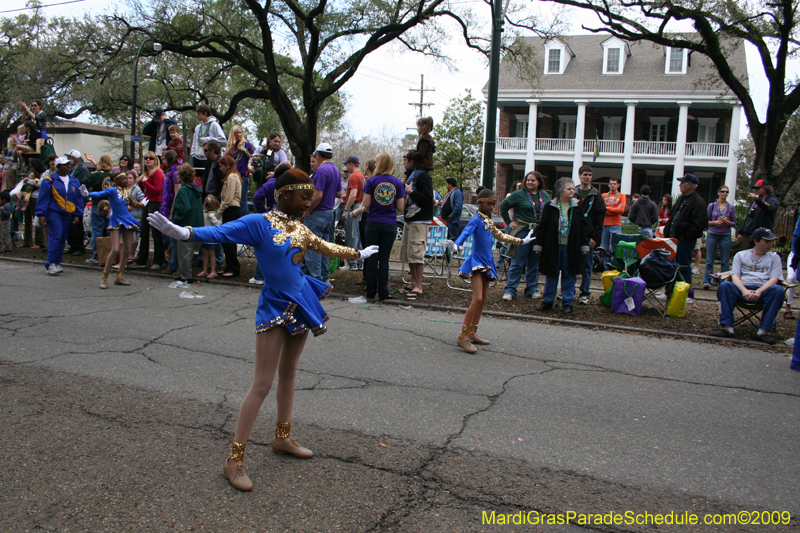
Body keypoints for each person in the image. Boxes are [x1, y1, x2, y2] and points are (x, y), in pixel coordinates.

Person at [146, 169, 378, 492]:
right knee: (262, 383)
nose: (308, 203)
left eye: (309, 198)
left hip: (301, 300)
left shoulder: (300, 227)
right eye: (303, 197)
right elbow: (223, 232)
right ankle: (233, 460)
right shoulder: (259, 223)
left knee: (290, 372)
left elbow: (324, 246)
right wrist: (185, 233)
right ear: (284, 195)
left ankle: (282, 437)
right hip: (274, 304)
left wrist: (357, 253)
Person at [444, 189, 534, 353]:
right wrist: (456, 244)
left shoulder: (488, 220)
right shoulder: (476, 219)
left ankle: (472, 333)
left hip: (487, 261)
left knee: (483, 299)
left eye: (494, 203)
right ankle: (462, 337)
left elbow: (501, 236)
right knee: (477, 298)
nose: (492, 206)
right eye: (489, 203)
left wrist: (521, 241)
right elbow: (466, 232)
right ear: (480, 202)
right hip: (477, 261)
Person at [712, 228, 784, 345]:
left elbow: (774, 279)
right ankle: (727, 327)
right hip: (742, 289)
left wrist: (759, 291)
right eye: (766, 241)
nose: (770, 244)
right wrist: (744, 291)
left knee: (778, 290)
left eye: (771, 241)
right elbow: (735, 276)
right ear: (756, 241)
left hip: (763, 291)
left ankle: (764, 331)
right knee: (725, 286)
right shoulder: (741, 255)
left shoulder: (775, 257)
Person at [350, 152, 406, 301]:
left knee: (372, 258)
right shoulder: (397, 183)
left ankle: (370, 292)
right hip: (389, 223)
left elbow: (366, 204)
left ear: (379, 164)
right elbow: (400, 207)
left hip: (373, 222)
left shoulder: (372, 181)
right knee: (384, 259)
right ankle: (383, 292)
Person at [535, 177, 590, 315]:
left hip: (571, 246)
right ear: (560, 191)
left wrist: (584, 245)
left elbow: (583, 227)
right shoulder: (550, 206)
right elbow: (543, 226)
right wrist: (538, 245)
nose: (572, 191)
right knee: (551, 274)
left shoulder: (577, 207)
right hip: (553, 245)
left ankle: (568, 302)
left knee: (569, 274)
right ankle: (548, 300)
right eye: (569, 189)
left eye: (573, 188)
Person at [82, 173, 140, 288]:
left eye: (127, 178)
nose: (126, 181)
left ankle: (119, 276)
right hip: (116, 220)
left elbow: (131, 203)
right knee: (115, 249)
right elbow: (100, 194)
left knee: (127, 250)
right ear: (116, 181)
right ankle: (104, 277)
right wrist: (88, 194)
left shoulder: (125, 192)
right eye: (123, 179)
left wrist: (143, 203)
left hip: (127, 219)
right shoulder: (112, 190)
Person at [500, 171, 549, 300]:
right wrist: (509, 222)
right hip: (522, 230)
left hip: (538, 232)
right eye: (528, 180)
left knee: (534, 262)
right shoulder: (518, 194)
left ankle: (531, 289)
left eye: (533, 180)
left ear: (539, 182)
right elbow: (503, 206)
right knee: (517, 261)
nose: (530, 182)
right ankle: (510, 290)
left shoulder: (544, 195)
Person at [35, 157, 84, 275]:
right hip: (54, 212)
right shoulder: (49, 180)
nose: (68, 166)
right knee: (56, 235)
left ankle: (57, 262)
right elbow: (43, 197)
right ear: (58, 167)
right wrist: (41, 213)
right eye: (65, 164)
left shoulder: (74, 181)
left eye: (69, 164)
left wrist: (77, 213)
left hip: (68, 213)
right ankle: (51, 263)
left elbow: (78, 198)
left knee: (62, 237)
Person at [303, 143, 342, 282]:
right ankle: (324, 277)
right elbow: (339, 193)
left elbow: (317, 195)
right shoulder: (335, 170)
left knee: (313, 248)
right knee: (324, 247)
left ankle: (315, 279)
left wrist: (308, 210)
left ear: (318, 154)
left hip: (318, 213)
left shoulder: (321, 170)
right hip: (330, 213)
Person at [249, 162, 292, 285]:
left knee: (268, 246)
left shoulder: (269, 184)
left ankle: (260, 275)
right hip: (283, 218)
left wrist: (263, 211)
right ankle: (269, 275)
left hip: (272, 218)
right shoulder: (287, 186)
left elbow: (257, 197)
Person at [399, 150, 434, 300]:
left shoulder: (424, 177)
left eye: (406, 159)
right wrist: (403, 186)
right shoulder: (411, 176)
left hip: (420, 221)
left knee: (417, 254)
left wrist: (411, 192)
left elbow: (428, 198)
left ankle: (419, 286)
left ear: (413, 161)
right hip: (410, 219)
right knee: (410, 254)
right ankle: (413, 282)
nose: (403, 162)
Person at [663, 173, 708, 287]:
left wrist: (685, 235)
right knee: (670, 265)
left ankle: (685, 292)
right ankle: (669, 290)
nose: (680, 185)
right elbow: (674, 215)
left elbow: (700, 223)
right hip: (673, 238)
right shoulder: (682, 199)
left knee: (683, 266)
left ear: (690, 185)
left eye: (683, 183)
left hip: (685, 240)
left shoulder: (698, 202)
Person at [574, 165, 605, 304]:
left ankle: (585, 293)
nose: (587, 177)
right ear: (579, 175)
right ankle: (569, 291)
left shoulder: (596, 195)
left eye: (590, 175)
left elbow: (600, 219)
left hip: (588, 236)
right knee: (571, 265)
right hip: (573, 235)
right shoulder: (573, 192)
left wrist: (595, 238)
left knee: (587, 266)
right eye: (585, 174)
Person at [130, 151, 165, 269]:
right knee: (144, 231)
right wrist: (141, 182)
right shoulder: (147, 174)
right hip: (147, 201)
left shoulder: (157, 173)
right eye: (146, 158)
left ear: (155, 160)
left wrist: (144, 181)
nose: (148, 160)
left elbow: (158, 190)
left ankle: (158, 261)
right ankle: (142, 259)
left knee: (155, 232)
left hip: (155, 203)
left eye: (150, 158)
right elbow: (145, 190)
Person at [170, 165, 204, 282]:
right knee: (190, 250)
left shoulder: (183, 190)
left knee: (183, 251)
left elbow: (184, 208)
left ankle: (185, 275)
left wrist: (176, 219)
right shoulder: (195, 189)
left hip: (185, 224)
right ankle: (186, 273)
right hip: (195, 223)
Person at [80, 154, 115, 264]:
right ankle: (111, 255)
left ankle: (96, 256)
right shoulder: (113, 176)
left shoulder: (96, 175)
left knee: (97, 231)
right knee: (111, 231)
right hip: (111, 206)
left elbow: (83, 182)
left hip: (98, 205)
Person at [703, 185, 737, 289]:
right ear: (718, 193)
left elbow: (734, 223)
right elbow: (705, 221)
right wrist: (715, 222)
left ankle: (724, 282)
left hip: (725, 235)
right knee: (710, 259)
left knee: (725, 260)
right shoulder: (712, 206)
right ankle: (707, 281)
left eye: (727, 192)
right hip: (712, 233)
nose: (724, 193)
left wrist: (726, 222)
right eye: (722, 191)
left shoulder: (731, 207)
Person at [404, 117, 435, 219]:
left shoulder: (423, 140)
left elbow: (420, 154)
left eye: (418, 127)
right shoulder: (428, 140)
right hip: (426, 166)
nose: (417, 129)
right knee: (412, 181)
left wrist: (410, 154)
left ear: (424, 126)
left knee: (410, 182)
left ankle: (414, 204)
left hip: (422, 166)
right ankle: (413, 204)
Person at [217, 154, 242, 277]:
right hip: (231, 209)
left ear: (227, 165)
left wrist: (219, 211)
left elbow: (228, 198)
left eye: (222, 166)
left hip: (231, 209)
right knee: (227, 240)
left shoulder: (232, 177)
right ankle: (229, 266)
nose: (220, 168)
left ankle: (234, 267)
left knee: (228, 240)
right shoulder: (233, 176)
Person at [224, 124, 254, 218]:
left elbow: (252, 158)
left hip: (243, 175)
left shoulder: (246, 144)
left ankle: (244, 220)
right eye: (236, 133)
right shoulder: (231, 146)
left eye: (240, 132)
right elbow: (224, 157)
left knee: (242, 201)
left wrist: (244, 150)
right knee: (232, 200)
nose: (239, 135)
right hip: (232, 176)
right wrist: (232, 146)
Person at [739, 179, 779, 249]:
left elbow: (767, 207)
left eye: (758, 188)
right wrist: (742, 232)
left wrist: (757, 200)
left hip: (762, 236)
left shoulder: (772, 200)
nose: (756, 190)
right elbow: (749, 217)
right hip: (749, 234)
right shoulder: (755, 202)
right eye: (755, 188)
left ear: (766, 188)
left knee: (759, 254)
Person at [340, 155, 364, 270]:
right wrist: (346, 196)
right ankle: (360, 262)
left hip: (354, 207)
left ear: (351, 164)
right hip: (360, 205)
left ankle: (352, 263)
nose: (346, 168)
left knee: (352, 235)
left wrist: (346, 209)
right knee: (358, 235)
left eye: (347, 165)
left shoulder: (354, 177)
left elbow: (354, 194)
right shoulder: (362, 176)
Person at [64, 150, 90, 256]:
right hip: (70, 200)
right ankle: (72, 245)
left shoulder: (82, 169)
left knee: (77, 224)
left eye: (69, 157)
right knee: (70, 224)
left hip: (78, 200)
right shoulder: (72, 169)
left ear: (74, 158)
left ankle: (79, 246)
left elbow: (80, 184)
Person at [160, 150, 181, 274]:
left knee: (175, 239)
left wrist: (172, 211)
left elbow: (177, 193)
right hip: (169, 207)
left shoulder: (175, 173)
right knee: (172, 238)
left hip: (175, 209)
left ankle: (177, 266)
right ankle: (172, 264)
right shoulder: (171, 172)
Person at [18, 158, 46, 250]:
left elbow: (40, 185)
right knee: (27, 220)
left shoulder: (43, 174)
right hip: (27, 197)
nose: (30, 169)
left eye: (31, 167)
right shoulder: (32, 174)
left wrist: (28, 181)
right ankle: (27, 241)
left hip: (36, 198)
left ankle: (40, 242)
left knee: (37, 220)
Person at [190, 104, 227, 170]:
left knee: (207, 175)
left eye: (199, 114)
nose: (197, 116)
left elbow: (223, 140)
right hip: (197, 157)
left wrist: (207, 139)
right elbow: (194, 142)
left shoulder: (214, 125)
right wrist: (193, 154)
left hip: (208, 157)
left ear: (205, 113)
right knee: (198, 175)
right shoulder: (198, 127)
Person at [601, 178, 626, 270]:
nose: (612, 185)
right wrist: (613, 210)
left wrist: (607, 209)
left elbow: (621, 210)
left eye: (614, 184)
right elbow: (601, 209)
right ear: (608, 185)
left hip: (615, 224)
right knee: (604, 246)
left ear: (618, 185)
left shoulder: (621, 196)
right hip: (605, 224)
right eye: (611, 184)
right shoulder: (604, 195)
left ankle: (615, 265)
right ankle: (605, 266)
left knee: (616, 246)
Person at [197, 195, 222, 279]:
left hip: (212, 237)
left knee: (212, 254)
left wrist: (212, 217)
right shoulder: (204, 213)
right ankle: (204, 270)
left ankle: (213, 270)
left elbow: (218, 224)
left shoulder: (216, 213)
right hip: (205, 236)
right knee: (205, 254)